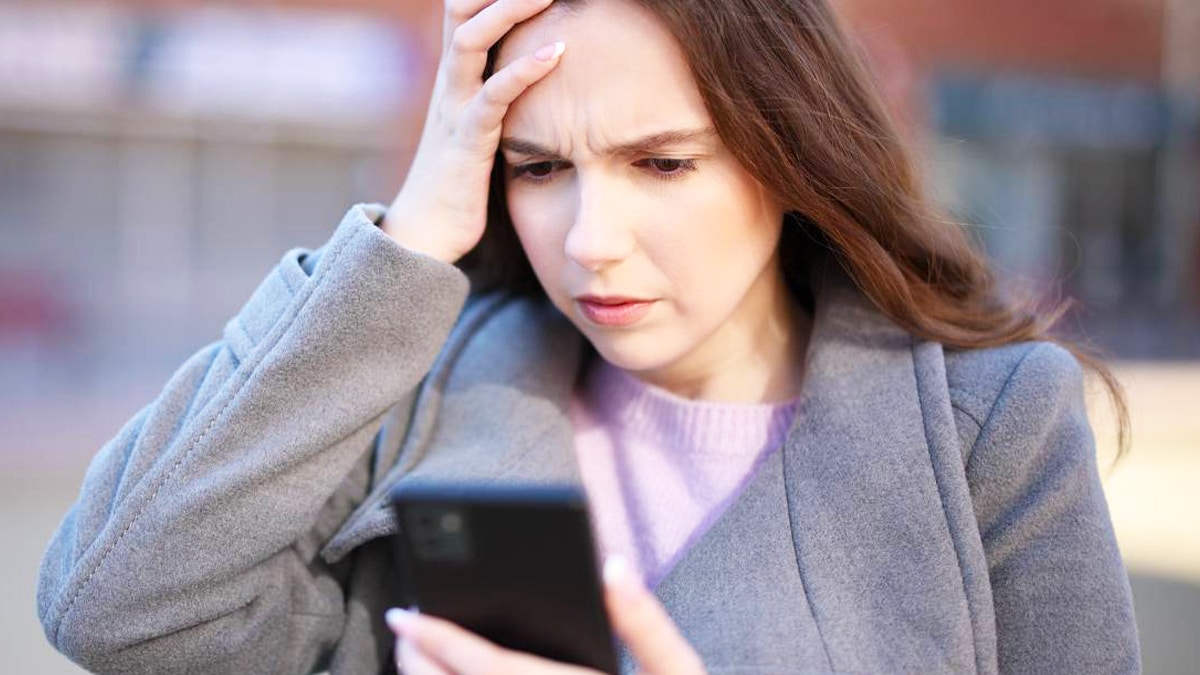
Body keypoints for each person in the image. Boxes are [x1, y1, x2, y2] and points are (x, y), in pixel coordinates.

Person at [37, 0, 1141, 673]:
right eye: (539, 168)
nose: (593, 241)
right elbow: (117, 606)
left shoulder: (989, 430)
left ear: (792, 153)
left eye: (663, 163)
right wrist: (408, 240)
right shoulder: (410, 398)